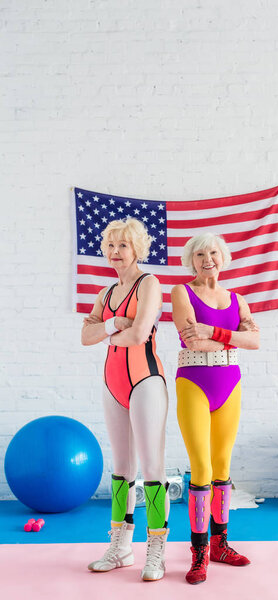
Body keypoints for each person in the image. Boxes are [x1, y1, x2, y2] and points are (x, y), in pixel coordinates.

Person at [81, 218, 169, 581]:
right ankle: (121, 546)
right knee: (121, 470)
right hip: (112, 382)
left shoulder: (149, 283)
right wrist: (115, 325)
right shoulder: (106, 293)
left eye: (123, 246)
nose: (115, 253)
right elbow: (86, 336)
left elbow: (140, 335)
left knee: (152, 469)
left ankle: (157, 552)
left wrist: (107, 329)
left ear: (137, 250)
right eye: (111, 246)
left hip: (145, 380)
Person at [171, 232, 259, 585]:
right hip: (194, 383)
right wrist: (231, 335)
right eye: (199, 254)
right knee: (201, 466)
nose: (207, 259)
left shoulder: (237, 298)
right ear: (191, 260)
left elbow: (254, 340)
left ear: (223, 258)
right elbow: (192, 338)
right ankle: (200, 552)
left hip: (230, 386)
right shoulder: (182, 292)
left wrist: (215, 332)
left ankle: (221, 544)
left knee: (222, 464)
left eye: (213, 253)